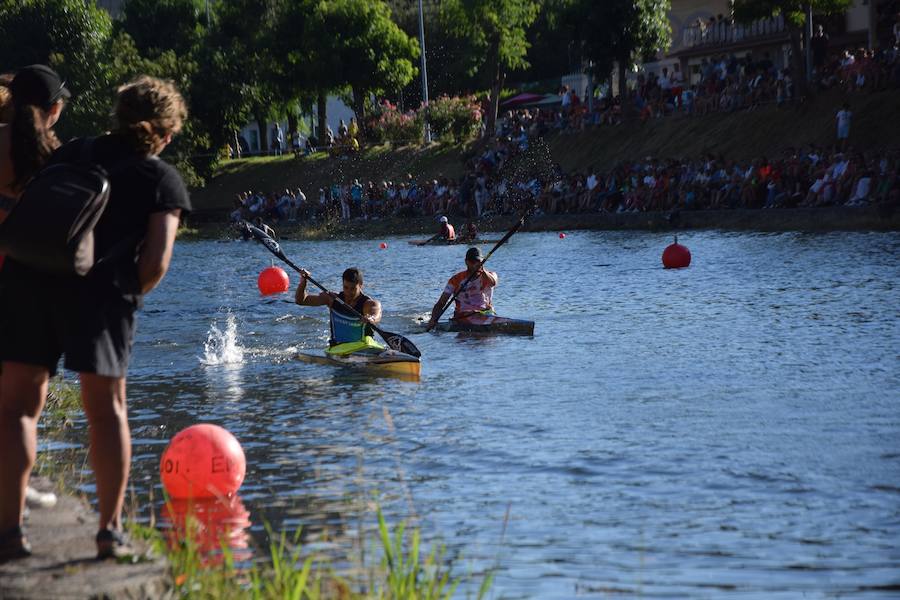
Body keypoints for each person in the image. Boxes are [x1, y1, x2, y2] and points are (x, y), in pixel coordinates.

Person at [0, 75, 191, 562]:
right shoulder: (160, 177)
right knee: (106, 411)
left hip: (28, 282)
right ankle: (109, 531)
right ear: (166, 131)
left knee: (19, 408)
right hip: (101, 294)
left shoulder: (71, 152)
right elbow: (155, 264)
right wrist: (128, 295)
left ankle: (9, 531)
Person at [294, 267, 382, 354]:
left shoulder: (369, 304)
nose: (348, 292)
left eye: (353, 289)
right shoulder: (332, 299)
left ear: (361, 285)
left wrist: (371, 319)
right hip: (338, 348)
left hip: (363, 348)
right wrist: (303, 282)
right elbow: (301, 300)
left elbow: (376, 314)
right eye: (345, 287)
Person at [427, 247, 498, 328]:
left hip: (485, 313)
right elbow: (441, 303)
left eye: (478, 261)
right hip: (463, 316)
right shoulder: (456, 279)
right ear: (466, 262)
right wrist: (433, 319)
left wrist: (483, 271)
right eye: (472, 261)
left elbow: (493, 283)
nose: (475, 264)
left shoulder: (491, 275)